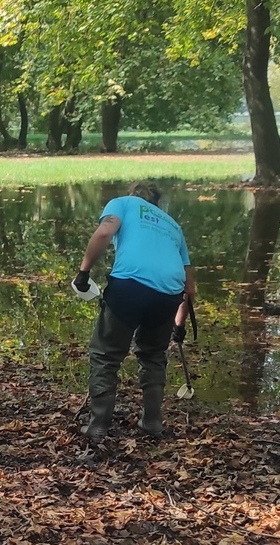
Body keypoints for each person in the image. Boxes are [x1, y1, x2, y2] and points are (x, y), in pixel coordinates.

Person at [73, 180, 194, 440]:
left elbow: (105, 232)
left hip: (129, 286)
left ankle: (98, 426)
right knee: (152, 355)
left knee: (105, 355)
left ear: (134, 194)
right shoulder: (173, 225)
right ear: (158, 203)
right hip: (168, 295)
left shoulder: (123, 203)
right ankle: (152, 422)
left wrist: (83, 273)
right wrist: (179, 326)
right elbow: (189, 288)